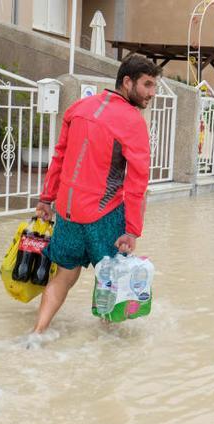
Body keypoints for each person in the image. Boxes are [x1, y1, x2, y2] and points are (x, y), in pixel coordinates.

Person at [31, 53, 161, 337]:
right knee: (112, 279)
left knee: (64, 276)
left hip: (67, 212)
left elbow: (60, 157)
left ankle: (38, 332)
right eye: (148, 85)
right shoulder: (132, 121)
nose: (152, 93)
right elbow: (138, 180)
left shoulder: (78, 108)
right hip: (103, 215)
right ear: (127, 82)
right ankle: (106, 343)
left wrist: (46, 198)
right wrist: (132, 231)